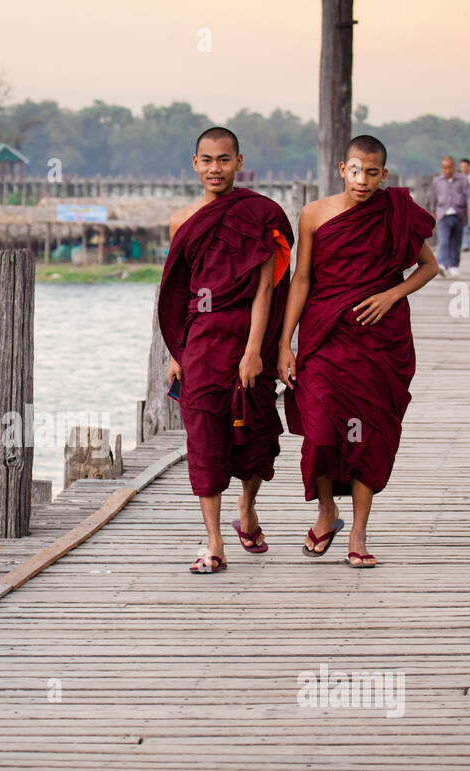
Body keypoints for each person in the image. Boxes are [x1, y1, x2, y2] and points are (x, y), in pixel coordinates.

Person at [278, 135, 439, 568]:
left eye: (372, 172)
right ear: (341, 168)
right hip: (325, 337)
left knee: (368, 433)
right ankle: (327, 510)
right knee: (321, 432)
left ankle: (360, 531)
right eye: (355, 170)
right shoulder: (313, 214)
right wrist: (284, 342)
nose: (363, 179)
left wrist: (392, 294)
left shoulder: (395, 214)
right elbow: (302, 279)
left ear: (384, 175)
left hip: (379, 341)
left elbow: (430, 266)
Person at [158, 127, 294, 573]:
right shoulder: (183, 221)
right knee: (204, 439)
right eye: (207, 160)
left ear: (239, 162)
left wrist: (257, 350)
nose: (215, 168)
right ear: (195, 164)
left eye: (224, 160)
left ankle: (247, 506)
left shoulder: (260, 214)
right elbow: (177, 293)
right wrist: (177, 352)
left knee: (257, 436)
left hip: (248, 337)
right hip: (200, 342)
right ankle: (214, 541)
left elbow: (264, 291)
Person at [430, 155, 470, 277]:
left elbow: (469, 195)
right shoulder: (437, 181)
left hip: (458, 214)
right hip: (443, 214)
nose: (447, 170)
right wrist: (433, 212)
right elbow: (433, 198)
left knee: (456, 242)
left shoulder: (462, 180)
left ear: (454, 167)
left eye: (449, 168)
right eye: (444, 168)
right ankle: (442, 264)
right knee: (444, 241)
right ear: (441, 168)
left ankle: (454, 265)